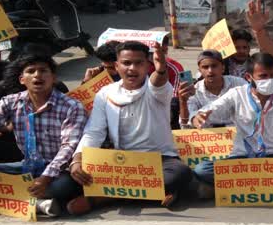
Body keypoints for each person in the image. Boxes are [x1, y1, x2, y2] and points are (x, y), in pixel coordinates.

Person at [69, 42, 192, 211]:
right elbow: (94, 131)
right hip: (122, 163)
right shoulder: (105, 93)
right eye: (126, 63)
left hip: (160, 161)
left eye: (139, 63)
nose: (132, 68)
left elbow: (159, 83)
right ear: (116, 66)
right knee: (76, 178)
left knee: (180, 173)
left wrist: (162, 69)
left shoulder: (156, 89)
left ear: (148, 65)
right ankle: (156, 194)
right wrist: (77, 159)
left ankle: (104, 198)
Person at [0, 53, 87, 217]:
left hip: (60, 172)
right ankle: (38, 203)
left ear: (54, 78)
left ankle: (26, 197)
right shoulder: (11, 102)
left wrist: (45, 178)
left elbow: (69, 148)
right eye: (31, 71)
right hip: (28, 166)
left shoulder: (71, 106)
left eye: (43, 71)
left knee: (60, 187)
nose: (37, 75)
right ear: (22, 79)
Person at [190, 53, 273, 197]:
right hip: (241, 158)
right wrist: (199, 116)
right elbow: (214, 108)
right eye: (263, 76)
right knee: (202, 170)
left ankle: (235, 185)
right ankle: (259, 185)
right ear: (248, 77)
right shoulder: (236, 94)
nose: (270, 80)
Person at [178, 49, 248, 128]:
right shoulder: (194, 91)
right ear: (200, 71)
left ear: (223, 68)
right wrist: (183, 102)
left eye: (214, 66)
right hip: (209, 137)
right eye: (205, 67)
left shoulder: (239, 84)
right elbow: (185, 125)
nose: (210, 71)